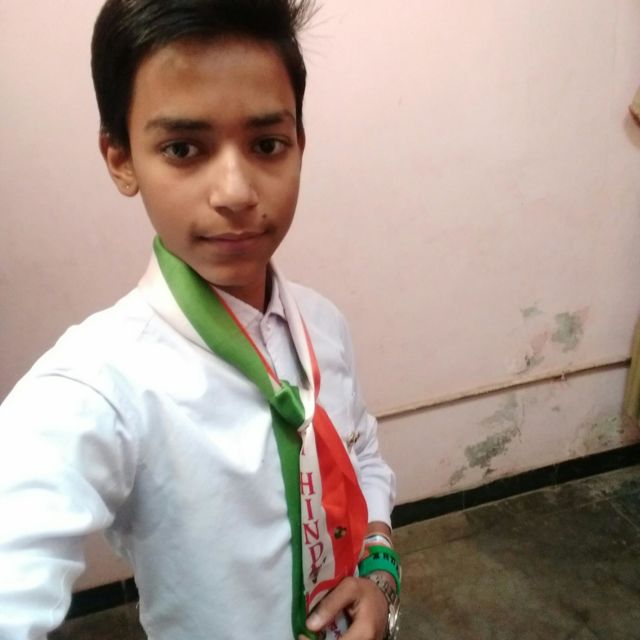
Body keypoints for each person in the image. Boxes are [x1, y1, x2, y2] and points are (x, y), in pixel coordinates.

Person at [0, 1, 399, 638]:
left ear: (299, 144)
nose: (236, 191)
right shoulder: (98, 387)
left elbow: (363, 453)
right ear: (121, 159)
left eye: (267, 144)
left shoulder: (322, 325)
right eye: (184, 148)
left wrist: (379, 568)